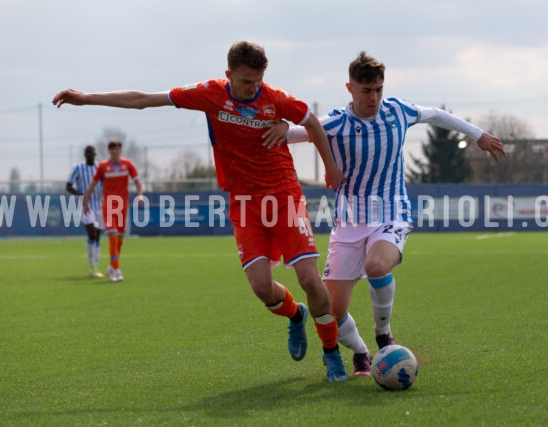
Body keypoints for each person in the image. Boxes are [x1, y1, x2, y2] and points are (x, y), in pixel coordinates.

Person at [52, 41, 349, 382]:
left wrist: (330, 168)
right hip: (243, 202)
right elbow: (143, 100)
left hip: (283, 196)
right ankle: (295, 315)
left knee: (310, 278)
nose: (253, 87)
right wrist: (86, 98)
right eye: (245, 81)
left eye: (258, 80)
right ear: (228, 75)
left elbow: (312, 123)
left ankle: (331, 354)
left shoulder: (276, 98)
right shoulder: (209, 93)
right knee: (262, 288)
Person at [279, 51, 506, 376]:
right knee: (330, 310)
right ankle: (360, 352)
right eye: (366, 91)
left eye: (378, 90)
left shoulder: (397, 111)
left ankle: (383, 333)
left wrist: (478, 135)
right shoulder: (335, 124)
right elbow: (292, 133)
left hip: (392, 213)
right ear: (350, 88)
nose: (373, 98)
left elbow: (437, 115)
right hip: (348, 224)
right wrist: (262, 124)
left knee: (376, 265)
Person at [83, 139, 143, 282]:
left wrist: (140, 195)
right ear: (109, 151)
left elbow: (137, 182)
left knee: (120, 238)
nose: (115, 151)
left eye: (117, 148)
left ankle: (111, 267)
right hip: (108, 205)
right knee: (113, 235)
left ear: (121, 150)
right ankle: (116, 270)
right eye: (112, 149)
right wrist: (86, 202)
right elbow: (92, 184)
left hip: (122, 205)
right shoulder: (103, 166)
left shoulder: (127, 164)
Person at [66, 145, 104, 277]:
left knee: (98, 236)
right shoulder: (78, 168)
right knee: (92, 234)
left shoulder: (100, 168)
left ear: (95, 154)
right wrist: (81, 195)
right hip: (86, 205)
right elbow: (68, 186)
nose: (89, 154)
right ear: (84, 155)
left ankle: (95, 267)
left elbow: (105, 184)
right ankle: (91, 266)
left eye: (91, 152)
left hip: (100, 205)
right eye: (87, 152)